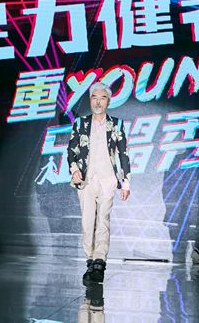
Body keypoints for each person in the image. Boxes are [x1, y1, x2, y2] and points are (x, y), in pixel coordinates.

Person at [67, 82, 131, 284]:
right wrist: (74, 170)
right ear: (90, 100)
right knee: (87, 222)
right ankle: (90, 260)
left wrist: (126, 182)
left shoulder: (117, 124)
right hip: (86, 179)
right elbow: (71, 150)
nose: (98, 102)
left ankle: (99, 263)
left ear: (108, 101)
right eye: (95, 98)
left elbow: (124, 153)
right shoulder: (80, 123)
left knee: (103, 220)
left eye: (102, 98)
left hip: (108, 178)